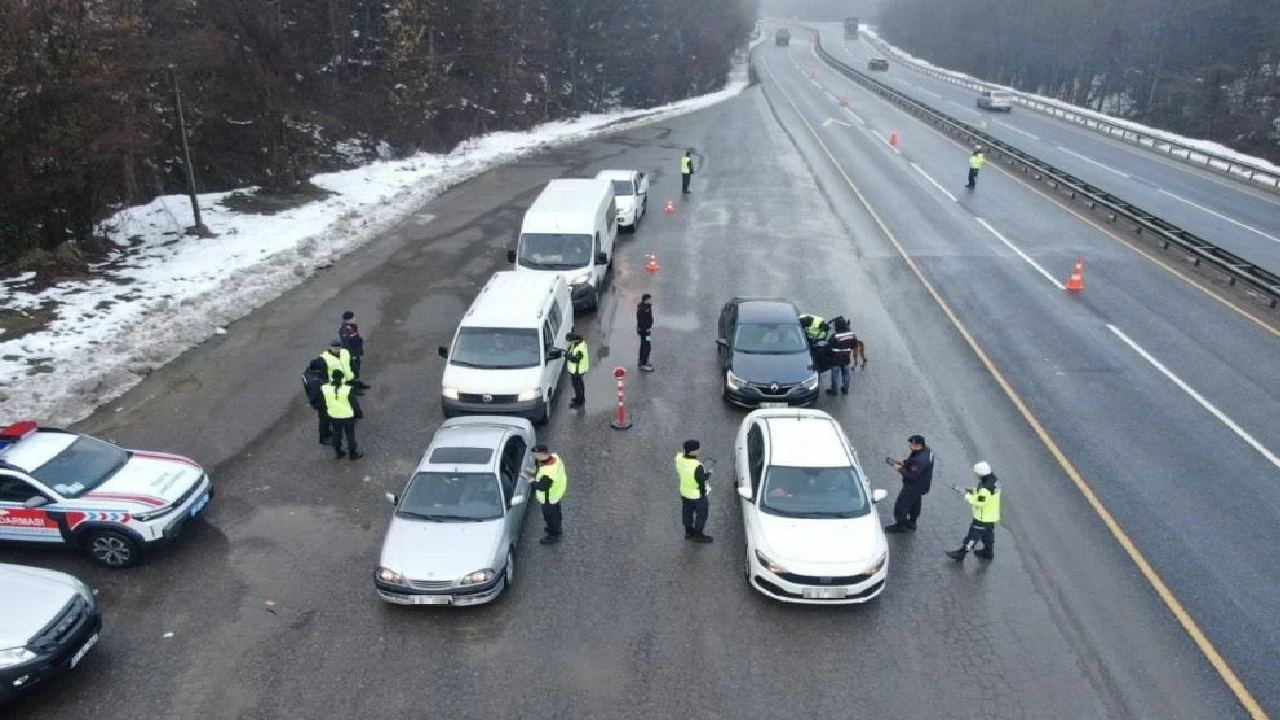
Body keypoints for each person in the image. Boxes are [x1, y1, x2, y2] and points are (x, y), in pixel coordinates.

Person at [947, 462, 1001, 561]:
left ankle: (962, 553)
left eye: (976, 473)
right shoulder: (993, 480)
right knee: (988, 535)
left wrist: (966, 495)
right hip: (991, 516)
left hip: (982, 517)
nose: (976, 475)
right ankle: (988, 552)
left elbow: (980, 502)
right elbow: (987, 496)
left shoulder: (986, 488)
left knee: (972, 537)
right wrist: (973, 491)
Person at [885, 434, 934, 533]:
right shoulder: (928, 451)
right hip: (922, 485)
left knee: (901, 505)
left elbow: (912, 476)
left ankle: (900, 526)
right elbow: (914, 462)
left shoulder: (919, 460)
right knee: (915, 503)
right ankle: (912, 522)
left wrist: (900, 469)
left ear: (918, 445)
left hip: (913, 486)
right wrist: (905, 462)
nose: (910, 446)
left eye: (911, 444)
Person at [675, 439, 712, 543]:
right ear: (693, 451)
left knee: (687, 512)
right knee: (701, 515)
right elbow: (702, 479)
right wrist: (708, 474)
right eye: (698, 448)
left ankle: (688, 532)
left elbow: (680, 457)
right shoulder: (697, 466)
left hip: (685, 493)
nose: (700, 450)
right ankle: (698, 535)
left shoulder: (679, 459)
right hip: (698, 495)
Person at [321, 369, 364, 460]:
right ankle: (352, 453)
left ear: (332, 377)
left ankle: (338, 452)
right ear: (341, 378)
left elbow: (324, 402)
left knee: (337, 434)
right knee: (350, 435)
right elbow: (354, 404)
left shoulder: (325, 388)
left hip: (333, 416)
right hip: (347, 416)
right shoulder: (347, 390)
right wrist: (359, 414)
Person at [531, 444, 567, 544]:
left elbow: (543, 486)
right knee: (556, 512)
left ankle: (553, 535)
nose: (535, 457)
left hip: (549, 497)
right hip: (557, 493)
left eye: (536, 455)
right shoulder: (555, 457)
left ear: (541, 455)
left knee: (550, 516)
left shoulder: (548, 472)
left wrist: (532, 482)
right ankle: (558, 527)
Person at [825, 317, 867, 396]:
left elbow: (829, 348)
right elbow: (854, 345)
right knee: (846, 373)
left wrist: (828, 357)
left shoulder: (834, 336)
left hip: (835, 359)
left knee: (835, 375)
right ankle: (845, 389)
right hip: (845, 358)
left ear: (837, 327)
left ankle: (834, 391)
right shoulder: (851, 335)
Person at [301, 357, 332, 445]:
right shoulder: (315, 381)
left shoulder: (308, 373)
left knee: (324, 417)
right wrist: (312, 402)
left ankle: (326, 432)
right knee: (324, 418)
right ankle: (323, 437)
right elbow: (315, 394)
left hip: (317, 400)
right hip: (321, 401)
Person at [338, 311, 370, 392]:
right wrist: (351, 355)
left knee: (357, 369)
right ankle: (353, 388)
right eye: (353, 318)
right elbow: (346, 344)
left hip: (356, 352)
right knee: (352, 370)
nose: (355, 319)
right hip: (352, 354)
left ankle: (357, 383)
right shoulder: (344, 330)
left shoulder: (352, 326)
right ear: (348, 320)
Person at [566, 332, 590, 408]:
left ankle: (579, 402)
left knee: (577, 386)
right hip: (577, 370)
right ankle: (580, 398)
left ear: (574, 340)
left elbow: (576, 359)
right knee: (579, 385)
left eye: (570, 341)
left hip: (578, 370)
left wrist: (568, 357)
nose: (569, 343)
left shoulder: (580, 348)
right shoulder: (577, 343)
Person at [636, 294, 654, 372]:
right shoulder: (642, 309)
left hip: (647, 330)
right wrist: (645, 329)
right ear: (645, 300)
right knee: (646, 346)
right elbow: (641, 321)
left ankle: (643, 361)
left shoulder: (648, 306)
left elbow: (649, 316)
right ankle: (643, 364)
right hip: (644, 331)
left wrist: (652, 320)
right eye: (649, 299)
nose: (650, 300)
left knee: (644, 345)